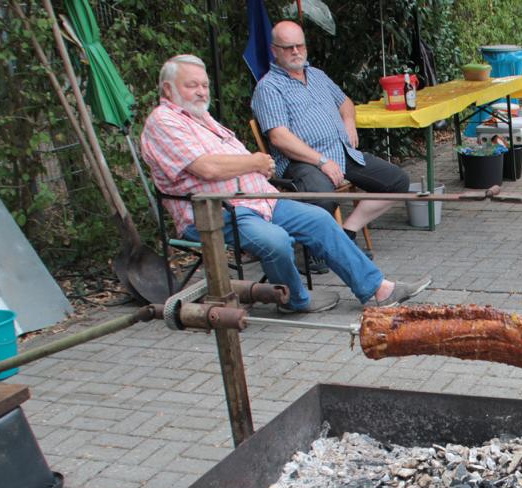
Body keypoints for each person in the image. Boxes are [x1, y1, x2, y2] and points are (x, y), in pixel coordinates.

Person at [141, 55, 429, 314]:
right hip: (217, 212)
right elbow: (207, 167)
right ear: (168, 89)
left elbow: (228, 161)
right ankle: (295, 300)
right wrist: (254, 163)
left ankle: (379, 290)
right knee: (276, 241)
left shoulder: (202, 118)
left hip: (259, 199)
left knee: (320, 220)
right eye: (192, 85)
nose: (202, 91)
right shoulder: (163, 122)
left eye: (204, 85)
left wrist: (258, 167)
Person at [252, 21, 409, 255]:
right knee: (322, 197)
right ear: (274, 50)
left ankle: (345, 234)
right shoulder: (269, 88)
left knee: (397, 182)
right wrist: (322, 161)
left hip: (341, 152)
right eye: (288, 47)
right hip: (301, 162)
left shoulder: (317, 75)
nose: (295, 51)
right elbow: (279, 138)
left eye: (300, 46)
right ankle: (318, 253)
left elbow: (345, 102)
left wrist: (349, 121)